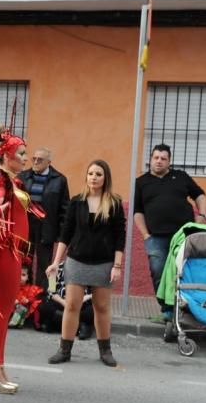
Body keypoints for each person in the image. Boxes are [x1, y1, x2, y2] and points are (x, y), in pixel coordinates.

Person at [46, 160, 126, 366]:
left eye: (98, 174)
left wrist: (117, 266)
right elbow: (66, 234)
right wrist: (56, 262)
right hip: (76, 261)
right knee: (72, 305)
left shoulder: (114, 203)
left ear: (105, 177)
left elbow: (120, 237)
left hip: (103, 263)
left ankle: (105, 351)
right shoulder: (77, 201)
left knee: (101, 307)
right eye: (90, 173)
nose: (94, 177)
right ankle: (64, 350)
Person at [0, 121, 34, 389]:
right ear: (6, 156)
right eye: (22, 154)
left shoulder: (12, 179)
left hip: (13, 251)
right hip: (4, 251)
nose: (26, 158)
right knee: (2, 310)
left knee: (5, 309)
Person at [133, 144, 206, 320]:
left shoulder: (180, 176)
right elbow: (137, 212)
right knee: (158, 271)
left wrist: (202, 215)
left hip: (184, 236)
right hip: (156, 237)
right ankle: (167, 309)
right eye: (156, 157)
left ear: (169, 161)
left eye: (163, 158)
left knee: (186, 270)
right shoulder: (141, 182)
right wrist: (145, 235)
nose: (159, 161)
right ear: (150, 159)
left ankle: (187, 306)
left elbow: (200, 195)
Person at [18, 147, 69, 290]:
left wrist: (61, 235)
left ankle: (45, 296)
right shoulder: (23, 177)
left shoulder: (59, 180)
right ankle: (23, 296)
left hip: (47, 227)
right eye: (34, 158)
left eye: (40, 159)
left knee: (45, 264)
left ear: (49, 162)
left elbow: (64, 209)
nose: (35, 161)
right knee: (24, 262)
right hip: (26, 226)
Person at [36, 261, 94, 338]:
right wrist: (65, 303)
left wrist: (82, 299)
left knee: (91, 311)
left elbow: (96, 292)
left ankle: (57, 324)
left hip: (80, 305)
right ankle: (78, 326)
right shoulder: (56, 268)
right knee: (43, 306)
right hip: (61, 303)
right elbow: (51, 292)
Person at [9, 262, 44, 328]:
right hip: (13, 308)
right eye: (18, 274)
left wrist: (28, 300)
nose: (20, 277)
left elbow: (34, 298)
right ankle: (14, 322)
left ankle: (16, 323)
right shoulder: (12, 287)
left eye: (23, 275)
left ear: (28, 277)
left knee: (22, 308)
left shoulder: (30, 288)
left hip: (25, 309)